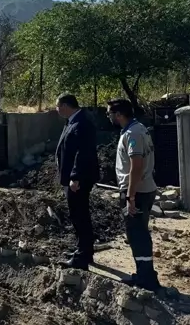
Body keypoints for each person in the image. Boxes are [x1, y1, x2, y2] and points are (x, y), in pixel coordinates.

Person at [107, 98, 161, 291]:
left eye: (110, 113)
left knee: (137, 235)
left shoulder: (132, 133)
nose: (109, 117)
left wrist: (130, 197)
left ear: (119, 114)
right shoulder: (140, 129)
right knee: (139, 233)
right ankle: (144, 273)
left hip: (137, 191)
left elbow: (136, 167)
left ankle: (146, 279)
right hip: (144, 189)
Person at [55, 93, 99, 270]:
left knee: (80, 215)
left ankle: (82, 257)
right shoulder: (73, 121)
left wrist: (75, 177)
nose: (57, 110)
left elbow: (84, 153)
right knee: (77, 215)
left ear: (65, 106)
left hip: (79, 180)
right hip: (74, 178)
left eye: (58, 106)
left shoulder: (82, 123)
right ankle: (83, 251)